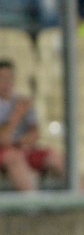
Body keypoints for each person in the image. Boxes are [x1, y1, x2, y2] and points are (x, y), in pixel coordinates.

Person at [0, 60, 65, 191]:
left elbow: (35, 134)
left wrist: (18, 142)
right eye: (2, 78)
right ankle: (33, 201)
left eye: (10, 78)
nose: (7, 82)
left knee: (55, 158)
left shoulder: (21, 101)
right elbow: (2, 139)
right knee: (14, 158)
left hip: (22, 149)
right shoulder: (19, 107)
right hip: (6, 154)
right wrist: (17, 115)